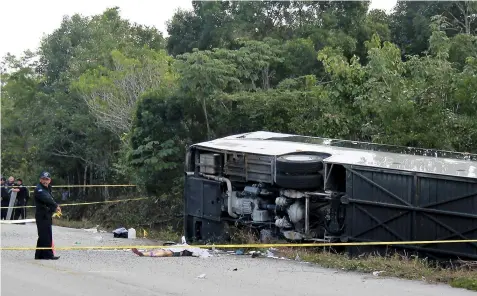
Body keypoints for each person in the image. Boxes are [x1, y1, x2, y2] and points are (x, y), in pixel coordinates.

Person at [33, 171, 61, 260]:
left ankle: (39, 254)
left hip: (47, 214)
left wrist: (54, 209)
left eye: (47, 179)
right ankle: (48, 255)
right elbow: (47, 199)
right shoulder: (39, 189)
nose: (45, 181)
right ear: (40, 179)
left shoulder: (48, 188)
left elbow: (50, 199)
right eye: (43, 179)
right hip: (42, 215)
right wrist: (56, 206)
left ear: (50, 180)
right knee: (46, 235)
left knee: (43, 234)